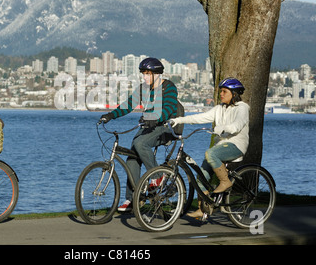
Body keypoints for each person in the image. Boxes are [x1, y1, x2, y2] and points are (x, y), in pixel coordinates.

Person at [99, 57, 178, 212]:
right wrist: (110, 115)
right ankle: (134, 197)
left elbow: (168, 109)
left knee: (140, 143)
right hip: (148, 127)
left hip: (165, 127)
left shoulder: (168, 87)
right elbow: (128, 106)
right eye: (143, 74)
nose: (145, 77)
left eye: (148, 74)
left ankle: (158, 176)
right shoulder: (143, 89)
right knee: (131, 159)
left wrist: (154, 118)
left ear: (157, 74)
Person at [170, 77, 249, 218]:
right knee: (201, 177)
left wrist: (223, 128)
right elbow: (199, 118)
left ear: (234, 94)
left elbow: (237, 125)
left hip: (236, 145)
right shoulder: (219, 109)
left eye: (225, 91)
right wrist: (178, 120)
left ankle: (225, 182)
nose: (221, 94)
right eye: (221, 92)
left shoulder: (242, 108)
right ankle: (204, 208)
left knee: (210, 154)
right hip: (221, 145)